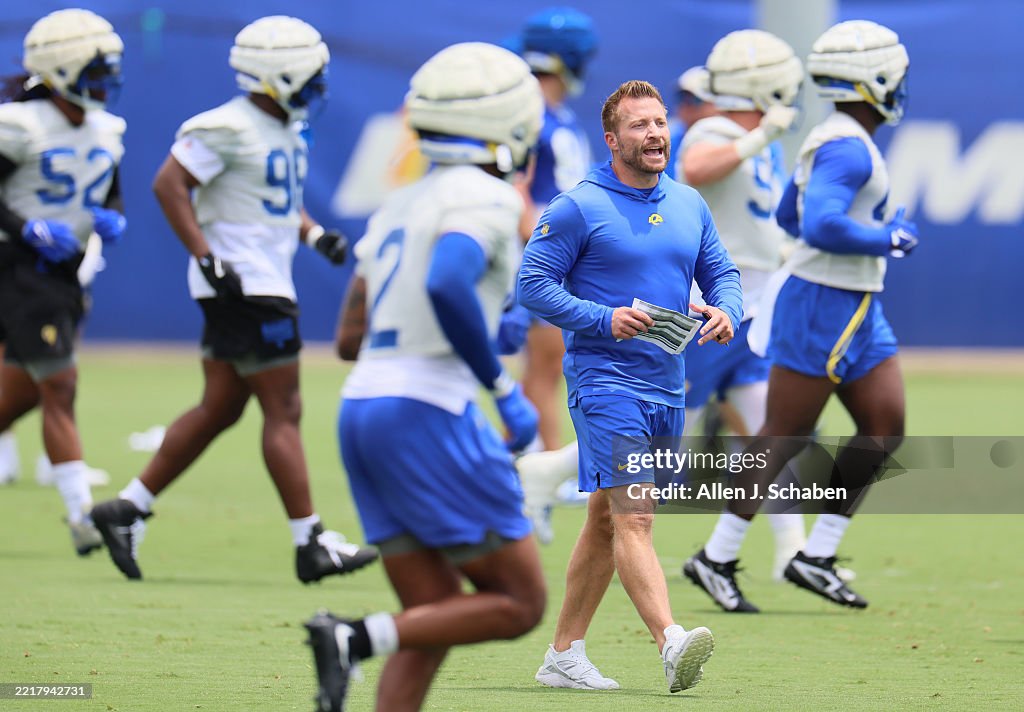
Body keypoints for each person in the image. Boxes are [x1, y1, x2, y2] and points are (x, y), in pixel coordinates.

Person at [90, 16, 377, 584]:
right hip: (247, 286)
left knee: (220, 406)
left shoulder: (287, 129)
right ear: (281, 77)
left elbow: (275, 201)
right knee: (284, 410)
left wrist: (312, 234)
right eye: (310, 77)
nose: (318, 90)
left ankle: (126, 508)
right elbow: (169, 184)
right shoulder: (224, 125)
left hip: (261, 278)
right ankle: (310, 542)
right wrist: (204, 253)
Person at [303, 42, 546, 712]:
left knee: (432, 615)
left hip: (362, 408)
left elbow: (351, 337)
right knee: (521, 602)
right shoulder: (488, 195)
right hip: (426, 409)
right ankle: (352, 638)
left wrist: (475, 319)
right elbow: (446, 279)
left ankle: (363, 644)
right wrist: (500, 383)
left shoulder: (398, 204)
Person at [518, 80, 742, 692]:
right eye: (640, 125)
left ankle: (563, 655)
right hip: (604, 379)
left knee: (605, 517)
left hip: (667, 385)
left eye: (661, 122)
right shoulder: (577, 206)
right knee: (634, 515)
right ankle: (671, 641)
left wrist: (726, 310)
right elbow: (531, 285)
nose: (655, 134)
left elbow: (721, 271)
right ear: (613, 139)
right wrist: (602, 318)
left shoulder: (689, 203)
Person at [684, 20, 915, 611]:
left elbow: (789, 216)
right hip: (821, 302)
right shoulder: (844, 144)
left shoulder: (835, 137)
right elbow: (817, 225)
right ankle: (717, 556)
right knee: (779, 438)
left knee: (884, 425)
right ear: (878, 79)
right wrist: (887, 237)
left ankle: (814, 554)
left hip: (854, 302)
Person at [675, 30, 810, 598]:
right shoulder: (717, 129)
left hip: (749, 311)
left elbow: (756, 222)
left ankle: (794, 553)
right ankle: (550, 476)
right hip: (710, 307)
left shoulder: (763, 142)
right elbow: (697, 168)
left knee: (769, 434)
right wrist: (761, 140)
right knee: (657, 439)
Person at [0, 9, 126, 554]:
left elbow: (111, 190)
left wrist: (111, 217)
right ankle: (81, 517)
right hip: (18, 268)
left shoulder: (105, 129)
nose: (107, 81)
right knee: (59, 384)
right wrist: (23, 225)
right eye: (96, 69)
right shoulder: (21, 124)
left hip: (61, 272)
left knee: (21, 393)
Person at [665, 66, 718, 181]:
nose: (686, 106)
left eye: (695, 100)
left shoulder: (738, 140)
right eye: (682, 98)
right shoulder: (665, 139)